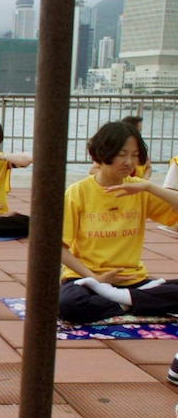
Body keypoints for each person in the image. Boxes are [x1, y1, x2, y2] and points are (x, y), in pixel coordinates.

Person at [59, 121, 178, 324]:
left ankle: (123, 301)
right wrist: (94, 277)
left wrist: (149, 187)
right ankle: (134, 303)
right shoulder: (77, 193)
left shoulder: (140, 190)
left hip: (134, 281)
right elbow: (58, 248)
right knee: (68, 304)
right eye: (122, 154)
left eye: (134, 155)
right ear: (103, 152)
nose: (129, 162)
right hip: (88, 279)